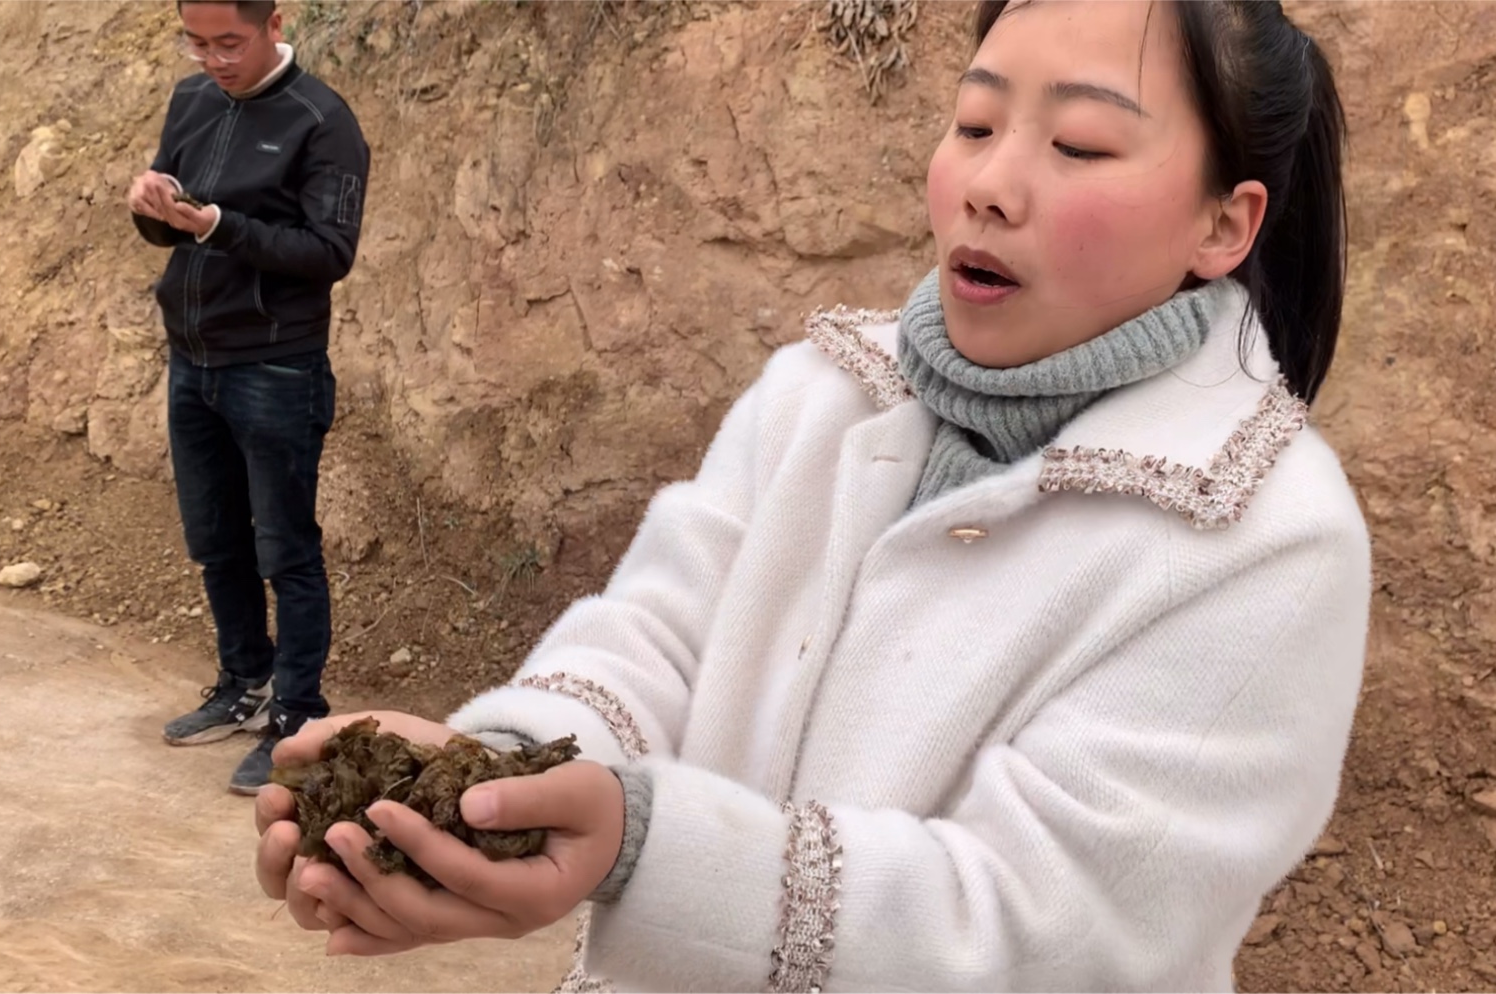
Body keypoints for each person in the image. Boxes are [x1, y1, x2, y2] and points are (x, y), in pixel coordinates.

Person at [254, 0, 1370, 989]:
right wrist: (481, 782)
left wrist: (643, 843)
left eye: (1079, 143)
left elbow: (1056, 929)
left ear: (1224, 223)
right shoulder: (823, 393)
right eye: (974, 125)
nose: (988, 183)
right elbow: (655, 640)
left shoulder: (1264, 536)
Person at [127, 0, 370, 795]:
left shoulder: (321, 121)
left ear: (275, 22)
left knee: (285, 550)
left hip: (276, 365)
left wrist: (218, 226)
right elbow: (177, 228)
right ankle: (243, 682)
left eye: (228, 42)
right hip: (192, 359)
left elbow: (328, 252)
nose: (212, 59)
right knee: (214, 539)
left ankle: (298, 715)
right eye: (196, 42)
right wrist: (156, 213)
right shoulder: (193, 98)